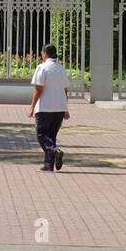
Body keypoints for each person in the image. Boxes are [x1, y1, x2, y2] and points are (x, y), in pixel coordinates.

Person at [29, 43, 70, 171]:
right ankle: (48, 163)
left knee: (41, 135)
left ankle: (55, 150)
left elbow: (38, 88)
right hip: (59, 107)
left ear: (45, 53)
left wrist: (32, 107)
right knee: (51, 135)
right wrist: (65, 108)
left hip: (45, 106)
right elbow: (65, 89)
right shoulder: (61, 68)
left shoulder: (42, 68)